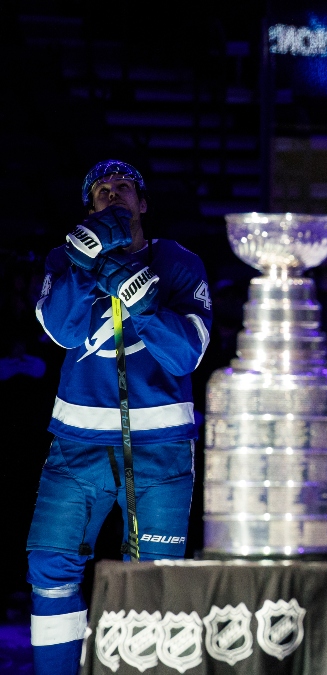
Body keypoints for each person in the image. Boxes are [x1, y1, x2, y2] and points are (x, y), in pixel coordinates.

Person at [27, 160, 212, 674]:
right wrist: (85, 264)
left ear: (143, 203)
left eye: (124, 188)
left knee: (153, 578)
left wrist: (141, 298)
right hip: (77, 444)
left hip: (161, 450)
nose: (113, 197)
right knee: (50, 566)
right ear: (90, 207)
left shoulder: (178, 264)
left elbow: (186, 356)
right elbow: (63, 331)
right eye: (102, 191)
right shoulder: (62, 260)